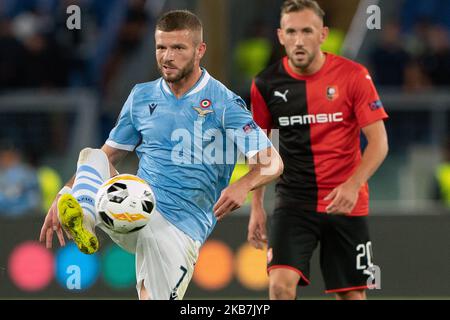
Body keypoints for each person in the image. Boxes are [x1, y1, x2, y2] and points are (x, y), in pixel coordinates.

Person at [39, 10, 283, 300]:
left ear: (199, 50)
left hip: (181, 227)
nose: (167, 56)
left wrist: (242, 185)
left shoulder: (224, 102)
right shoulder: (141, 97)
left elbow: (273, 162)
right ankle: (86, 216)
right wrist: (65, 192)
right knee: (93, 155)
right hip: (137, 205)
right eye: (161, 47)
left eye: (178, 48)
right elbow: (108, 155)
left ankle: (88, 212)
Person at [248, 0, 389, 300]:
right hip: (293, 202)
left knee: (351, 295)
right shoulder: (265, 84)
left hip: (345, 202)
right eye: (292, 31)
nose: (299, 40)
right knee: (279, 287)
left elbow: (379, 143)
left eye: (307, 31)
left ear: (323, 34)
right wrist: (257, 206)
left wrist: (353, 185)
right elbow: (259, 150)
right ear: (280, 35)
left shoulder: (354, 76)